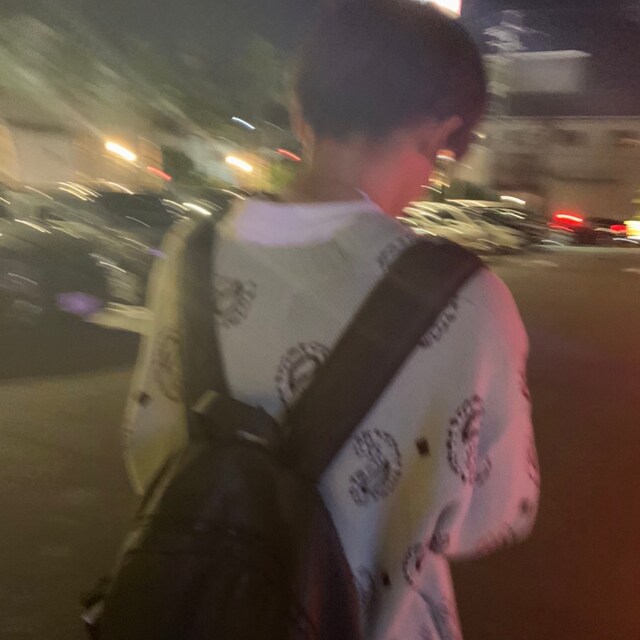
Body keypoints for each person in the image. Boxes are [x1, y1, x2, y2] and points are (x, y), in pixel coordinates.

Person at [123, 1, 539, 638]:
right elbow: (496, 514)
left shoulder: (190, 254)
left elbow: (148, 453)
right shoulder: (470, 300)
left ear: (300, 114)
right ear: (439, 134)